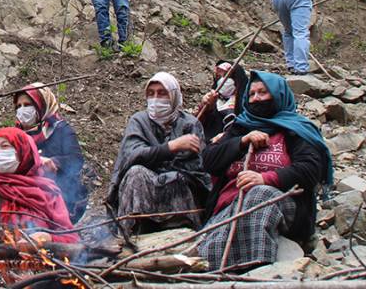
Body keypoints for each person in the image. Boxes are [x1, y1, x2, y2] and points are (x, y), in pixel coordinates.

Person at [197, 71, 331, 271]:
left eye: (262, 92)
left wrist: (266, 178)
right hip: (230, 204)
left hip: (283, 203)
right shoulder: (241, 127)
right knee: (235, 210)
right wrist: (241, 142)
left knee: (259, 194)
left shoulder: (295, 130)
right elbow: (208, 161)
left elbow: (310, 169)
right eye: (251, 94)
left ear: (278, 95)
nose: (256, 98)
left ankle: (255, 268)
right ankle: (210, 264)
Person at [105, 72, 210, 236]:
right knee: (136, 173)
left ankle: (183, 234)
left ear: (174, 96)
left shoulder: (190, 124)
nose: (155, 99)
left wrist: (161, 169)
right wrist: (171, 147)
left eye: (162, 93)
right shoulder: (138, 121)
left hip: (179, 188)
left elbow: (196, 168)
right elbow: (133, 155)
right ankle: (132, 235)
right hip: (143, 185)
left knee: (176, 179)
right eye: (151, 93)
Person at [0, 127, 79, 243]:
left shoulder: (48, 192)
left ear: (24, 151)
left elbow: (71, 238)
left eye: (5, 146)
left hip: (36, 259)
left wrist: (48, 238)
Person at [14, 83, 88, 222]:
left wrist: (54, 162)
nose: (22, 110)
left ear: (41, 105)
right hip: (26, 198)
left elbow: (76, 159)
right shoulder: (16, 135)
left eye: (27, 105)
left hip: (62, 196)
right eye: (19, 106)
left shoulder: (61, 129)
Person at [198, 60, 249, 142]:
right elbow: (197, 125)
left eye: (227, 77)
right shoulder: (211, 100)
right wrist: (204, 107)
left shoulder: (245, 107)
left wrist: (226, 136)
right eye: (219, 77)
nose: (222, 80)